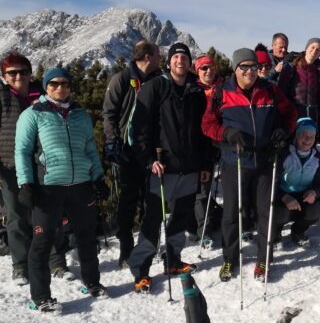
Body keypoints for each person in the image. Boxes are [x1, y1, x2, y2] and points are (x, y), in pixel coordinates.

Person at [16, 67, 109, 313]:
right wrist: (25, 183)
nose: (60, 88)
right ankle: (41, 297)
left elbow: (90, 148)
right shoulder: (32, 114)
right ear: (46, 86)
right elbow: (23, 151)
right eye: (54, 84)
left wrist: (98, 177)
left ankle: (92, 282)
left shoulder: (80, 115)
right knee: (43, 241)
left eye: (65, 84)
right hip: (48, 188)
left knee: (87, 237)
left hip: (80, 185)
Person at [202, 45, 297, 282]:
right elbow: (207, 125)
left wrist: (283, 131)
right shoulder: (221, 93)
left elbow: (290, 115)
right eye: (244, 67)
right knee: (232, 213)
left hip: (265, 160)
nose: (250, 71)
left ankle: (263, 258)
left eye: (254, 66)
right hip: (234, 162)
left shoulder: (270, 91)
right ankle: (229, 259)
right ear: (235, 69)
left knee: (266, 211)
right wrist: (226, 133)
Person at [129, 42, 212, 292]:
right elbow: (140, 128)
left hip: (189, 167)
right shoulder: (155, 87)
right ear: (169, 62)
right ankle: (141, 270)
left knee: (181, 218)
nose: (180, 61)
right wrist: (147, 159)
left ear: (189, 63)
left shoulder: (196, 92)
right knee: (153, 221)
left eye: (184, 57)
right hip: (161, 167)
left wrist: (205, 163)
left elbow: (204, 132)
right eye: (176, 57)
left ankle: (172, 261)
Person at [1, 52, 71, 286]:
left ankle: (56, 261)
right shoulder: (2, 97)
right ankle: (21, 266)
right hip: (10, 165)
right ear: (4, 76)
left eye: (23, 71)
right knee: (17, 216)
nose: (18, 76)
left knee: (49, 213)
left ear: (30, 73)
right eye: (12, 72)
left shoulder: (42, 95)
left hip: (42, 164)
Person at [102, 39, 163, 268]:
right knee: (127, 202)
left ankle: (147, 246)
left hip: (150, 150)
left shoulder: (158, 80)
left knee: (151, 201)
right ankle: (126, 249)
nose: (161, 58)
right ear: (147, 57)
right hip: (127, 151)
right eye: (157, 54)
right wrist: (112, 143)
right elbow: (109, 114)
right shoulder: (121, 79)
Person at [256, 118, 320, 278]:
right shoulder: (284, 153)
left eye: (311, 136)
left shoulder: (316, 157)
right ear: (296, 136)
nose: (308, 140)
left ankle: (298, 231)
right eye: (304, 135)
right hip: (283, 196)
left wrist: (314, 192)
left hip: (303, 196)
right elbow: (270, 183)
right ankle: (277, 233)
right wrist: (285, 197)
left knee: (316, 209)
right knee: (279, 213)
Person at [192, 55, 223, 242]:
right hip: (201, 146)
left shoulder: (224, 89)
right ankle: (203, 231)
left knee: (229, 188)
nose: (208, 71)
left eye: (211, 67)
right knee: (202, 190)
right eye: (204, 68)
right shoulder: (194, 91)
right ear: (198, 71)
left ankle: (234, 222)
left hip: (222, 142)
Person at [290, 38, 320, 122]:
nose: (314, 51)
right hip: (295, 115)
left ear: (319, 55)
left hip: (312, 116)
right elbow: (282, 92)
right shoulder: (292, 68)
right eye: (312, 47)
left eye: (318, 50)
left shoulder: (317, 73)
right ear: (306, 48)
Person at [268, 33, 296, 101]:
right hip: (270, 101)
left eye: (285, 47)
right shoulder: (264, 61)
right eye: (281, 47)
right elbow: (260, 81)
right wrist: (275, 71)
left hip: (287, 102)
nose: (283, 50)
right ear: (273, 46)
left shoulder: (292, 61)